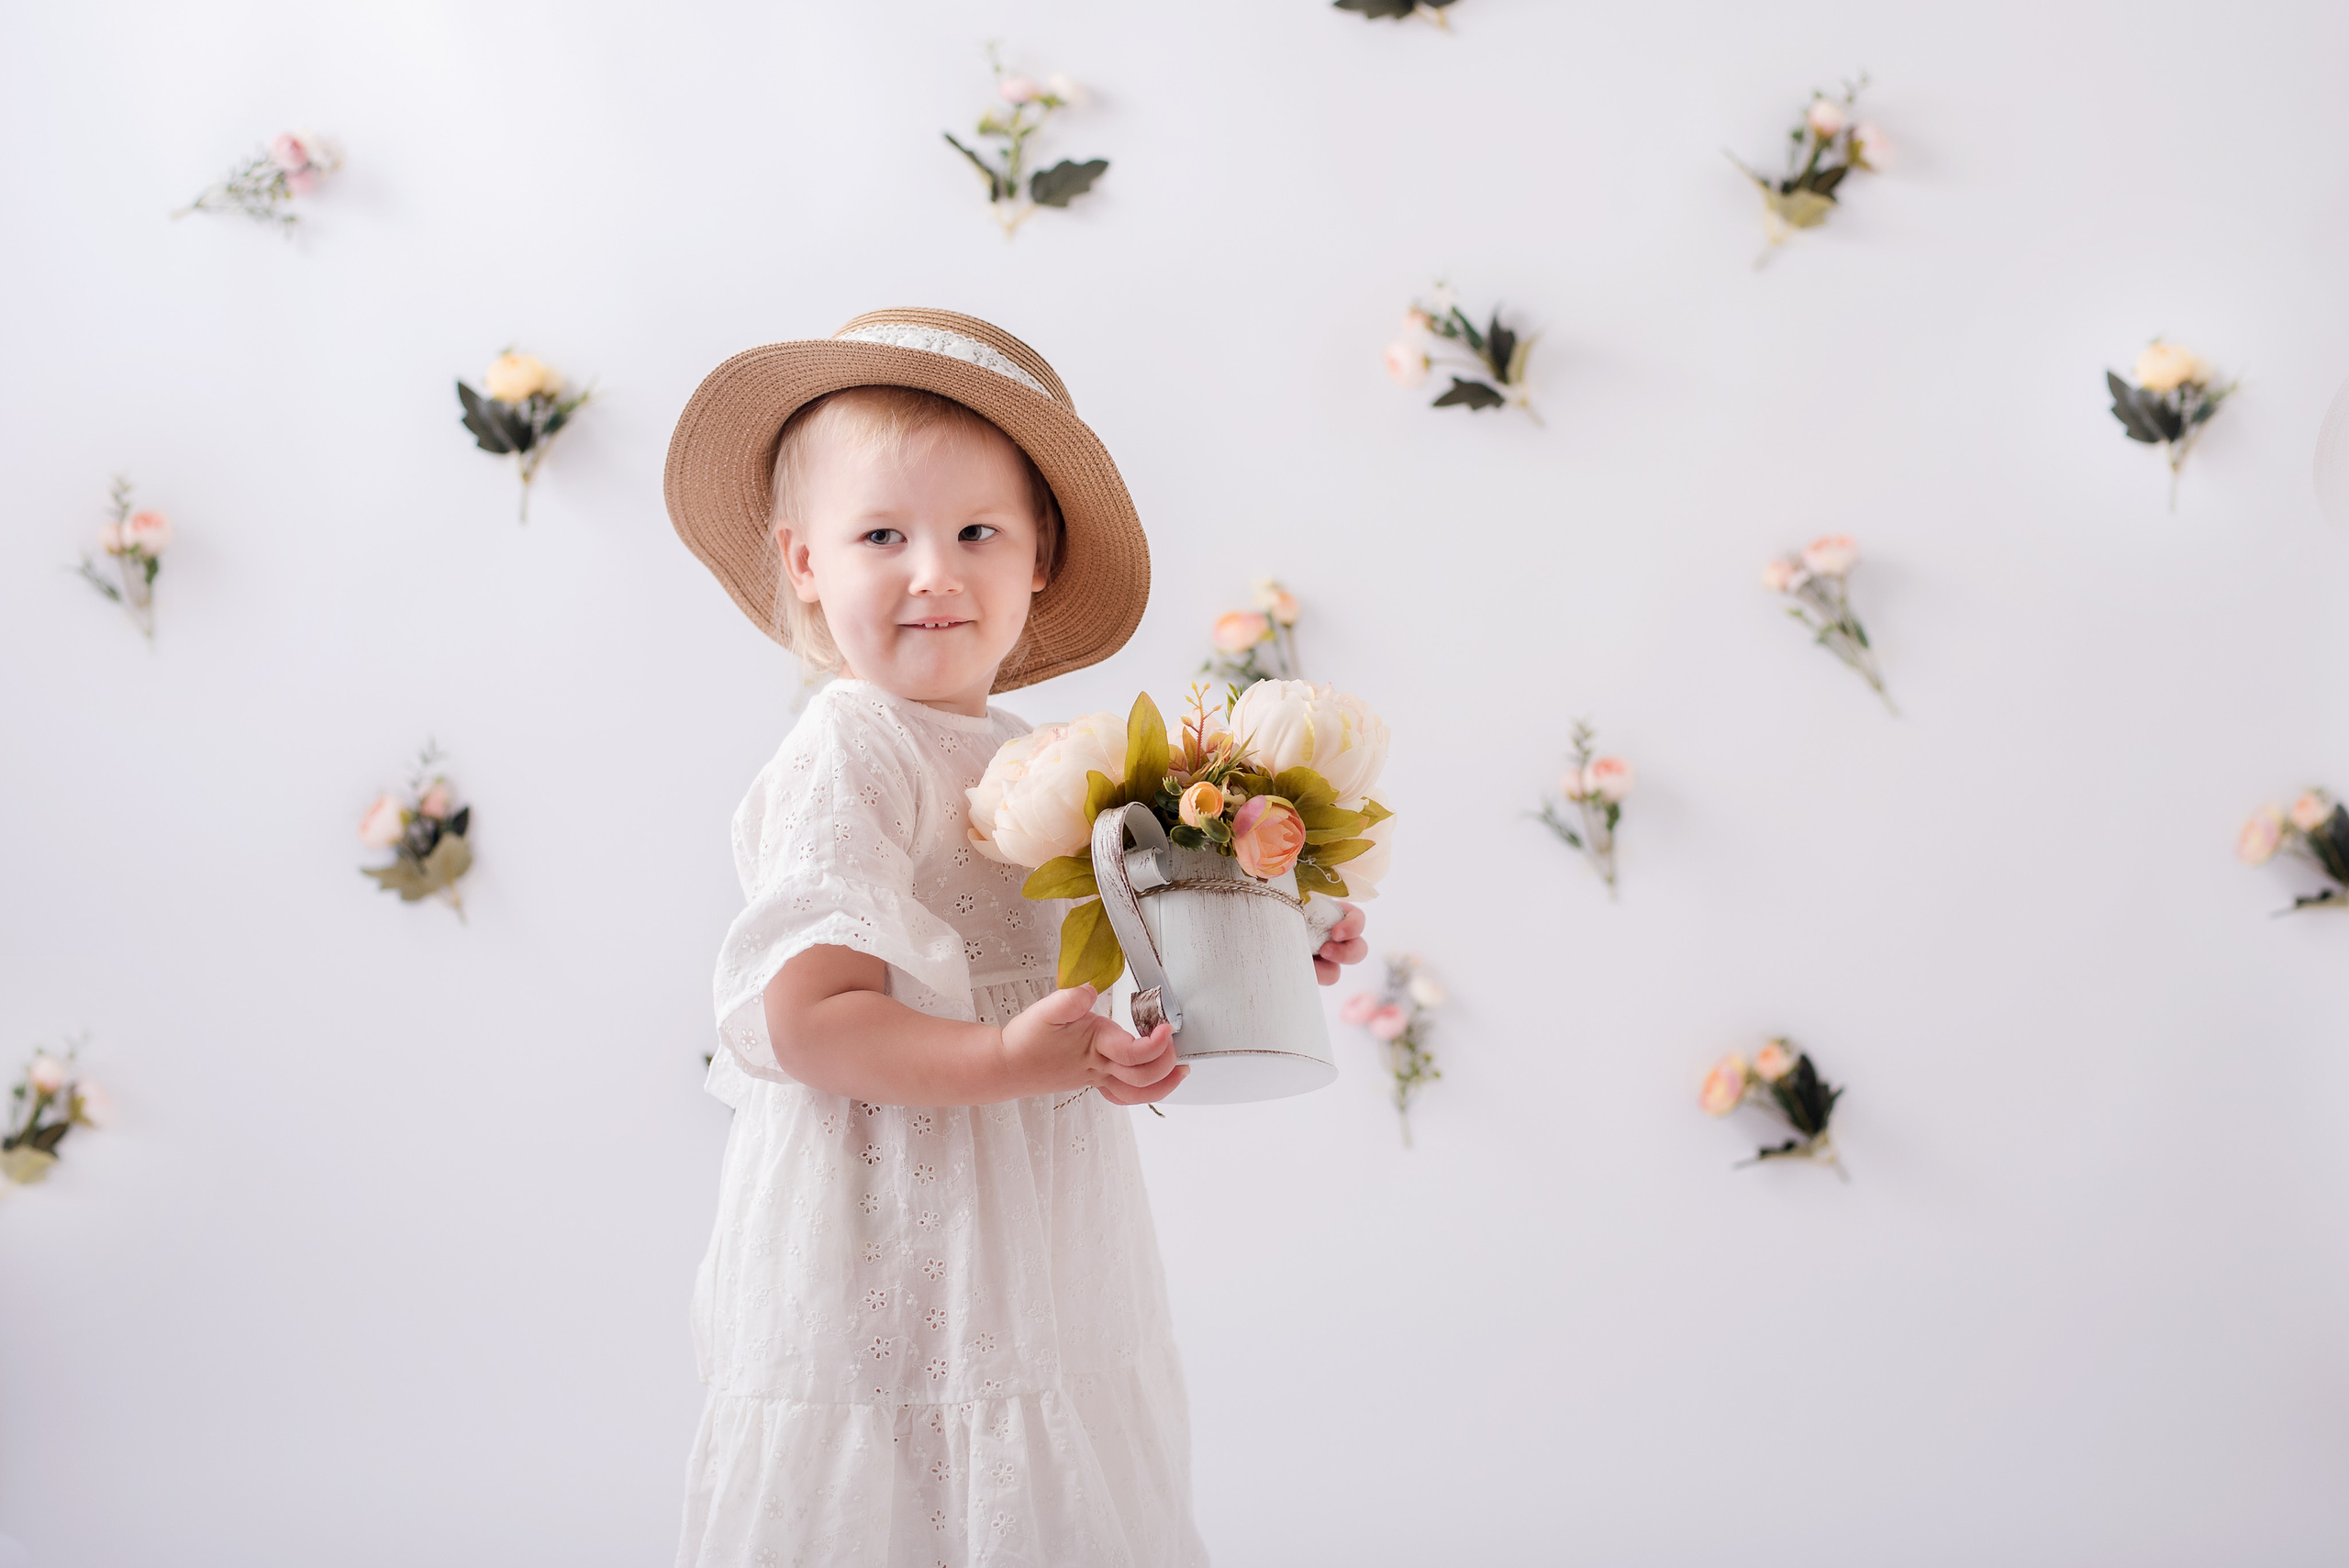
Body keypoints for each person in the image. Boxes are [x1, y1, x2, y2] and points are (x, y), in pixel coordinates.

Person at [662, 309, 1370, 1566]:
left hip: (1032, 1225)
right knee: (898, 1477)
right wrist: (1003, 1063)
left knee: (1028, 1481)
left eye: (976, 532)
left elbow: (1095, 952)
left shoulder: (1035, 760)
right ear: (806, 561)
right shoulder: (852, 746)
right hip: (887, 1208)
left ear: (1037, 555)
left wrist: (1258, 929)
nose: (932, 569)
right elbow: (805, 1016)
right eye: (882, 534)